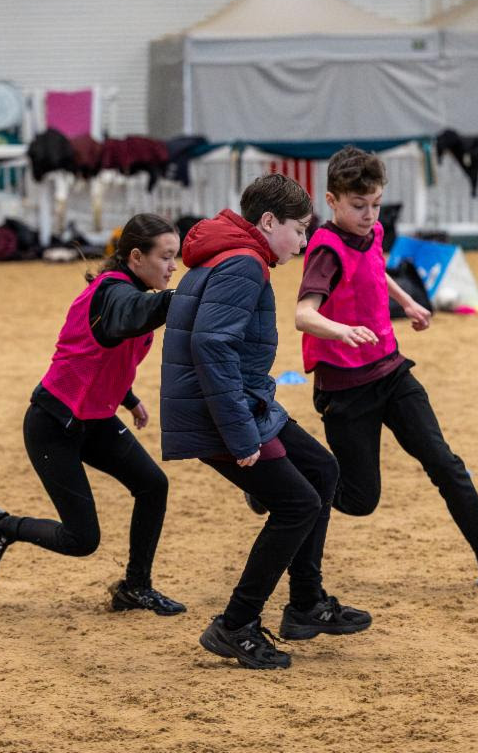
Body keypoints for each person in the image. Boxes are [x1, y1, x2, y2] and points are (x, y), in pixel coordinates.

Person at [290, 146, 478, 596]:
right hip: (345, 388)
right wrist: (342, 331)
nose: (369, 215)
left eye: (376, 204)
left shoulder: (373, 231)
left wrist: (408, 302)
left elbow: (374, 269)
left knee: (445, 463)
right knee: (360, 500)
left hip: (392, 373)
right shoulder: (324, 249)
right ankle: (285, 484)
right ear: (332, 201)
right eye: (358, 206)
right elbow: (304, 315)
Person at [162, 174, 369, 671]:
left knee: (321, 470)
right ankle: (236, 624)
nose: (303, 241)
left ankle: (306, 604)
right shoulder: (244, 262)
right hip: (220, 413)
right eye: (299, 230)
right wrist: (240, 435)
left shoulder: (234, 253)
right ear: (269, 222)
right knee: (297, 504)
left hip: (241, 402)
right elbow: (212, 347)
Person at [0, 214, 186, 616]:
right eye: (166, 256)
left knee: (153, 485)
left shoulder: (131, 292)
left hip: (94, 420)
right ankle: (2, 525)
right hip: (54, 424)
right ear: (136, 257)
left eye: (176, 257)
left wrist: (128, 398)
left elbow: (99, 352)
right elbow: (132, 314)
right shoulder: (114, 293)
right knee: (81, 539)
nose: (173, 267)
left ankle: (135, 587)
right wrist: (186, 297)